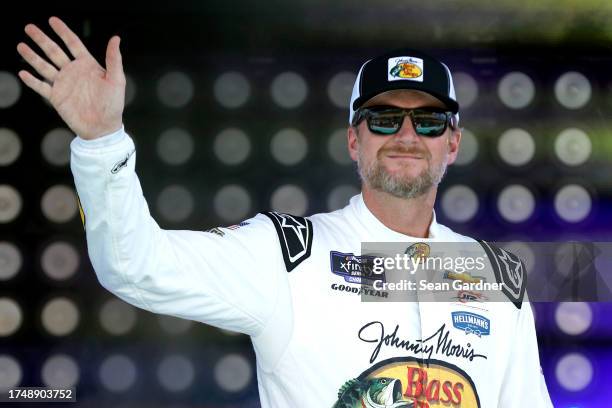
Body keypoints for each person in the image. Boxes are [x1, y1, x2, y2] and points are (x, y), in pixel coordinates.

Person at [17, 17, 553, 408]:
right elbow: (134, 265)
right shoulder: (289, 255)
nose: (407, 136)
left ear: (453, 143)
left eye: (430, 121)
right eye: (384, 119)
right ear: (353, 140)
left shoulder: (493, 274)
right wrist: (103, 141)